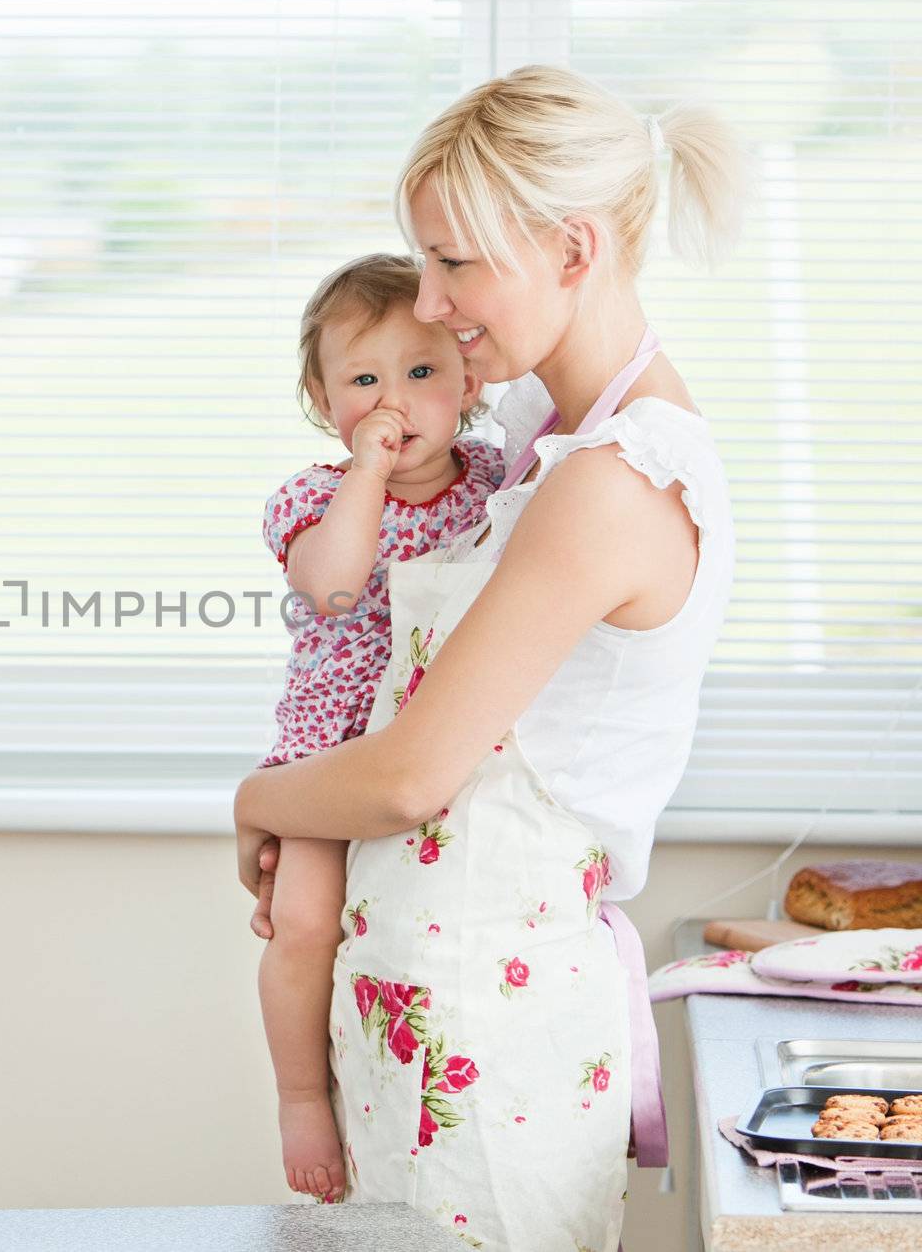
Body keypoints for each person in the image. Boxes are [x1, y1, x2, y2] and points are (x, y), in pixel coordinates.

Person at [233, 65, 742, 1250]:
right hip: (415, 984)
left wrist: (259, 798)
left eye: (455, 263)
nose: (429, 299)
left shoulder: (613, 482)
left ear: (572, 250)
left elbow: (413, 773)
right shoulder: (532, 438)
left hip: (486, 1027)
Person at [256, 253, 503, 1202]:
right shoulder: (313, 499)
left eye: (421, 372)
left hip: (437, 747)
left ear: (470, 383)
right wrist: (369, 466)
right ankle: (300, 1093)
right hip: (328, 759)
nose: (393, 399)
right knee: (302, 920)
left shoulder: (496, 482)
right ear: (323, 401)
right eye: (363, 380)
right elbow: (333, 583)